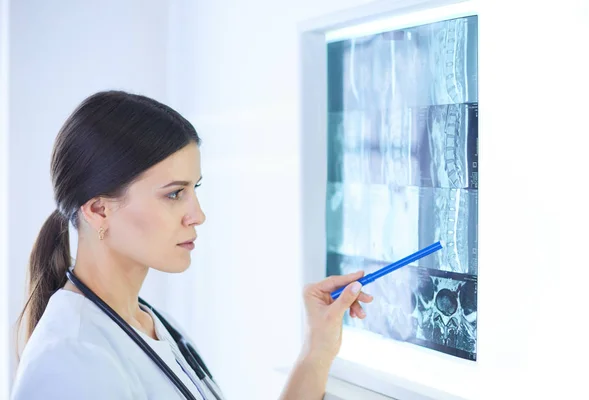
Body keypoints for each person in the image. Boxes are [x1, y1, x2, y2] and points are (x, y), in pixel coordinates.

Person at [10, 90, 374, 400]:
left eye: (193, 189)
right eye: (174, 194)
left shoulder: (149, 323)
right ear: (99, 210)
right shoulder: (70, 361)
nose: (197, 215)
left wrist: (317, 349)